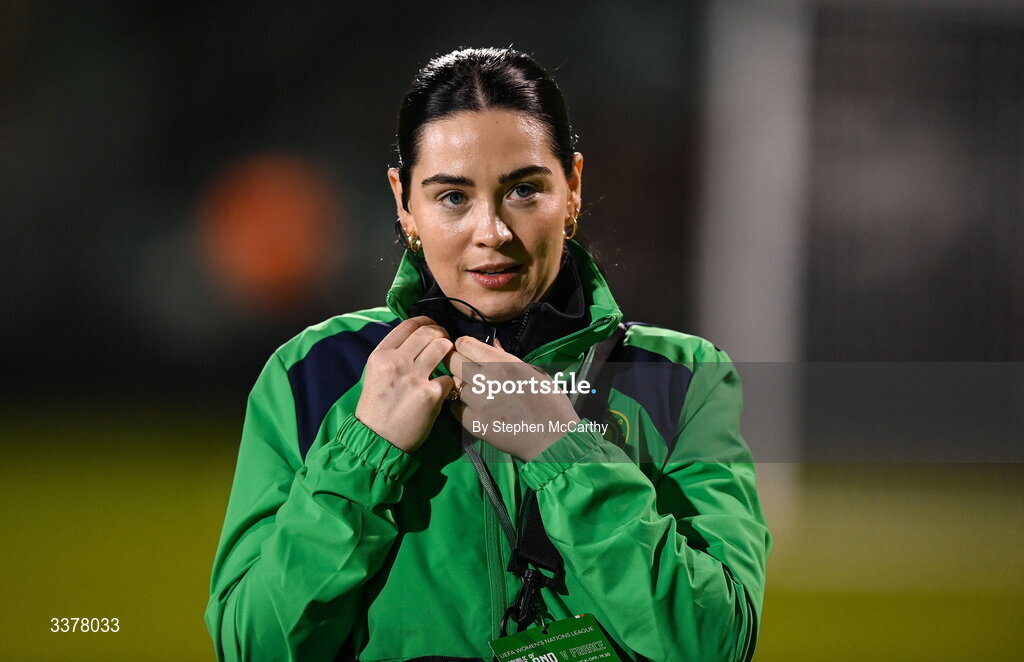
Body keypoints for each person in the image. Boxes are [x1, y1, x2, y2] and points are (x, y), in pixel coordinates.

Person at [204, 47, 771, 662]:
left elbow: (716, 644)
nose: (492, 231)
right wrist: (365, 454)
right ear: (404, 201)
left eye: (524, 190)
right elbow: (251, 646)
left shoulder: (682, 380)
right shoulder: (313, 374)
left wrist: (565, 453)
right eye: (452, 197)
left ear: (573, 188)